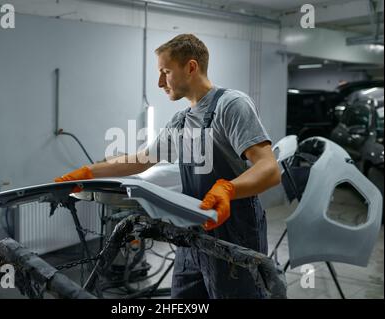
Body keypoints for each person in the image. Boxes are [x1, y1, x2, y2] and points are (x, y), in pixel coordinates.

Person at [55, 34, 281, 298]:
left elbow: (269, 168)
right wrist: (89, 172)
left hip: (235, 234)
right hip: (192, 234)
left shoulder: (231, 105)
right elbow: (142, 159)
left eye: (165, 72)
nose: (160, 82)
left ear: (191, 67)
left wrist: (229, 189)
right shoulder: (181, 120)